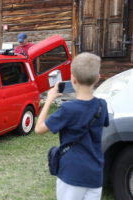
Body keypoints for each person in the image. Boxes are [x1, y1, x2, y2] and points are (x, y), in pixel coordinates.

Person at [34, 52, 109, 200]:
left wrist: (49, 100)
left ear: (72, 79)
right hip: (95, 173)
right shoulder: (102, 105)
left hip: (71, 173)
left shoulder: (68, 109)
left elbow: (39, 128)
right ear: (97, 78)